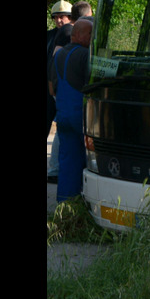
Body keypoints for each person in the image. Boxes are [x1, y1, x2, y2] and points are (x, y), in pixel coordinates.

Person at [49, 18, 93, 201]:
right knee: (87, 162)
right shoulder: (85, 56)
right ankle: (82, 203)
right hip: (80, 117)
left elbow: (51, 88)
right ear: (80, 35)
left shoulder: (58, 55)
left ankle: (65, 203)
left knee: (66, 161)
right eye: (91, 34)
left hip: (63, 115)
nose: (93, 37)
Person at [46, 0, 72, 182]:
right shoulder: (49, 36)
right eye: (56, 17)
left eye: (62, 16)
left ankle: (56, 169)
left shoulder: (74, 35)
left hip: (64, 89)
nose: (59, 20)